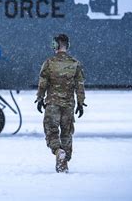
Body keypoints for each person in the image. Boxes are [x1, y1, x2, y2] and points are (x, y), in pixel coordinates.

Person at [35, 34, 86, 173]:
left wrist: (40, 98)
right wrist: (81, 103)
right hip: (69, 105)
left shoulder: (49, 62)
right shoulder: (75, 63)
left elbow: (43, 83)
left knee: (51, 131)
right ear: (67, 46)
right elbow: (80, 85)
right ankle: (64, 161)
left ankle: (58, 151)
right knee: (67, 133)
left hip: (52, 103)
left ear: (55, 46)